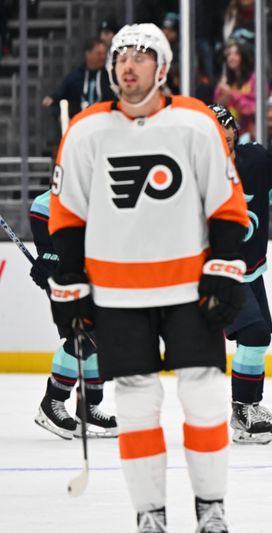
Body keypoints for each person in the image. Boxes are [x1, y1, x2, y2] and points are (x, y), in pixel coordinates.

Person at [47, 23, 248, 532]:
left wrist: (223, 270)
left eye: (140, 56)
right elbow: (68, 214)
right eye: (120, 57)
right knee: (136, 404)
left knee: (203, 395)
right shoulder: (86, 130)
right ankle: (150, 514)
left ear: (162, 68)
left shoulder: (195, 122)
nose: (127, 65)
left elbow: (225, 203)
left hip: (188, 291)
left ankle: (211, 509)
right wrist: (70, 283)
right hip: (117, 296)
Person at [209, 103, 272, 444]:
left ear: (235, 131)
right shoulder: (197, 170)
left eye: (227, 130)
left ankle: (249, 406)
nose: (222, 137)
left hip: (251, 269)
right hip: (218, 271)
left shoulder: (254, 159)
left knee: (260, 335)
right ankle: (243, 411)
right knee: (253, 334)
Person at [28, 190, 117, 440]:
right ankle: (53, 401)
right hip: (66, 280)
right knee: (87, 335)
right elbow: (49, 250)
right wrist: (48, 263)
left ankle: (88, 407)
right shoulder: (45, 204)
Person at [41, 37, 113, 119]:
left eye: (104, 54)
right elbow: (61, 95)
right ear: (88, 54)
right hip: (79, 124)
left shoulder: (110, 77)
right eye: (99, 54)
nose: (103, 57)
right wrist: (53, 100)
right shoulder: (75, 77)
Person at [215, 39, 257, 140]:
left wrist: (231, 95)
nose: (231, 58)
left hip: (250, 134)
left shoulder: (254, 79)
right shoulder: (224, 81)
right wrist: (223, 98)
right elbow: (216, 109)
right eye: (229, 54)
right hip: (228, 135)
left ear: (244, 56)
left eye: (236, 54)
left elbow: (254, 108)